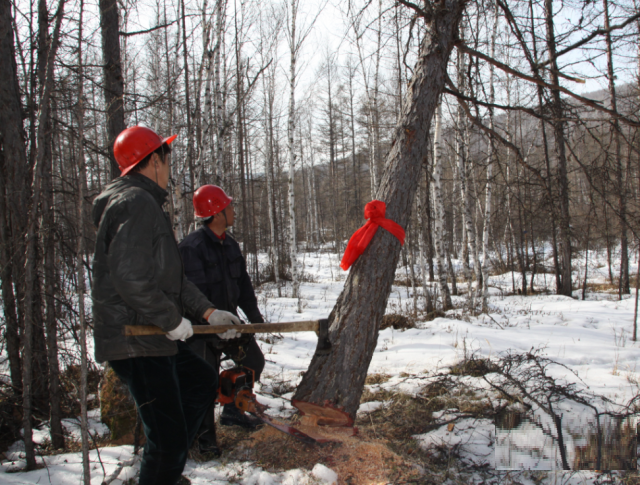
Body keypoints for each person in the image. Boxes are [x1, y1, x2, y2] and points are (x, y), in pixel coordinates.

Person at [91, 126, 241, 485]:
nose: (170, 166)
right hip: (136, 340)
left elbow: (170, 280)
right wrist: (172, 320)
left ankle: (166, 470)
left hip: (152, 335)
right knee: (168, 435)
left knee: (200, 381)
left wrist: (208, 312)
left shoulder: (142, 203)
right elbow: (130, 278)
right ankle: (163, 471)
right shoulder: (136, 203)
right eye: (167, 157)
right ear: (154, 159)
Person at [179, 185, 266, 452]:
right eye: (230, 207)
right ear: (217, 213)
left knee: (253, 361)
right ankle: (203, 441)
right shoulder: (191, 248)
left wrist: (253, 317)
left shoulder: (230, 244)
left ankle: (233, 412)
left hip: (229, 324)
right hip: (201, 329)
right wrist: (211, 325)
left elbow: (243, 284)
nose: (234, 212)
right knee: (203, 381)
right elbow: (193, 295)